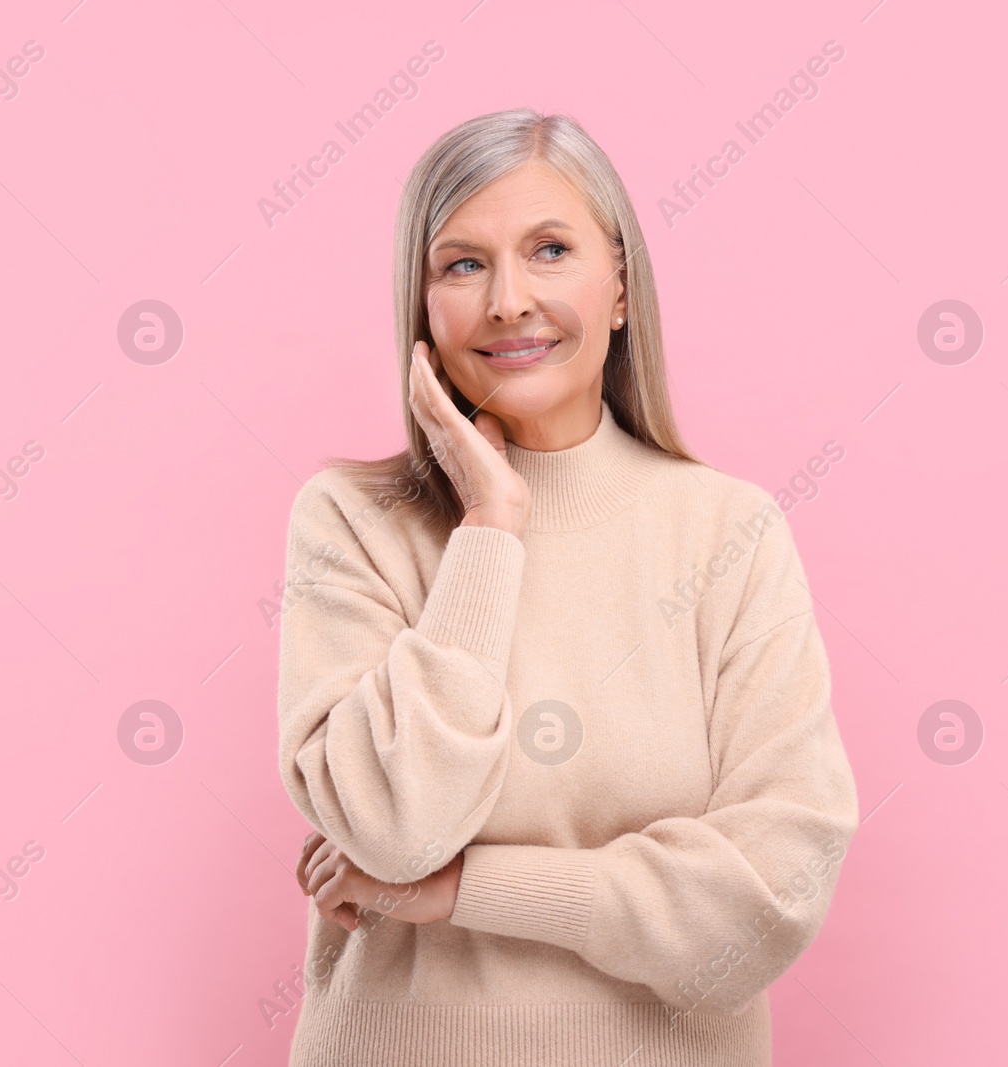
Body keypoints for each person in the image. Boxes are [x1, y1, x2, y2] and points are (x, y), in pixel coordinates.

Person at [276, 107, 859, 1066]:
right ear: (422, 309)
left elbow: (769, 898)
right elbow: (393, 825)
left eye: (550, 249)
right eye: (462, 264)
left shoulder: (729, 532)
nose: (508, 300)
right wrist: (491, 526)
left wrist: (465, 891)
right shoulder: (350, 521)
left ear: (620, 287)